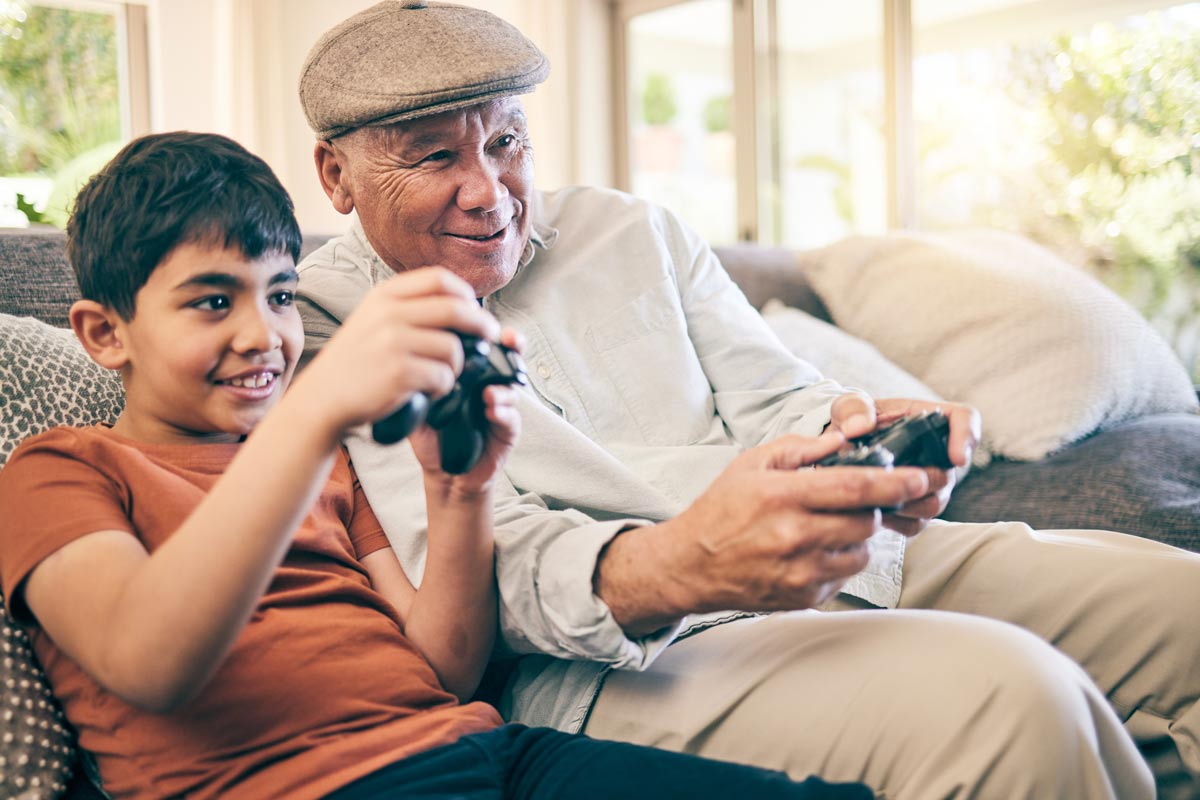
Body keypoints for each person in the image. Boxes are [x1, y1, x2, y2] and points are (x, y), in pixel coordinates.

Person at [294, 3, 1200, 798]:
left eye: (506, 142)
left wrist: (853, 436)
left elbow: (780, 399)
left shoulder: (629, 229)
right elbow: (484, 585)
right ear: (337, 177)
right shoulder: (320, 330)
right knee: (1016, 702)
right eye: (434, 158)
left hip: (840, 560)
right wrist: (685, 562)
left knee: (1184, 608)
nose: (490, 193)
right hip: (638, 652)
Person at [0, 132, 875, 800]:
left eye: (279, 295)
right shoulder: (59, 472)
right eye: (213, 301)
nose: (262, 333)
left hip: (482, 751)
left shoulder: (328, 469)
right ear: (104, 334)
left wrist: (461, 490)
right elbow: (149, 658)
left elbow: (443, 667)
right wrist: (311, 414)